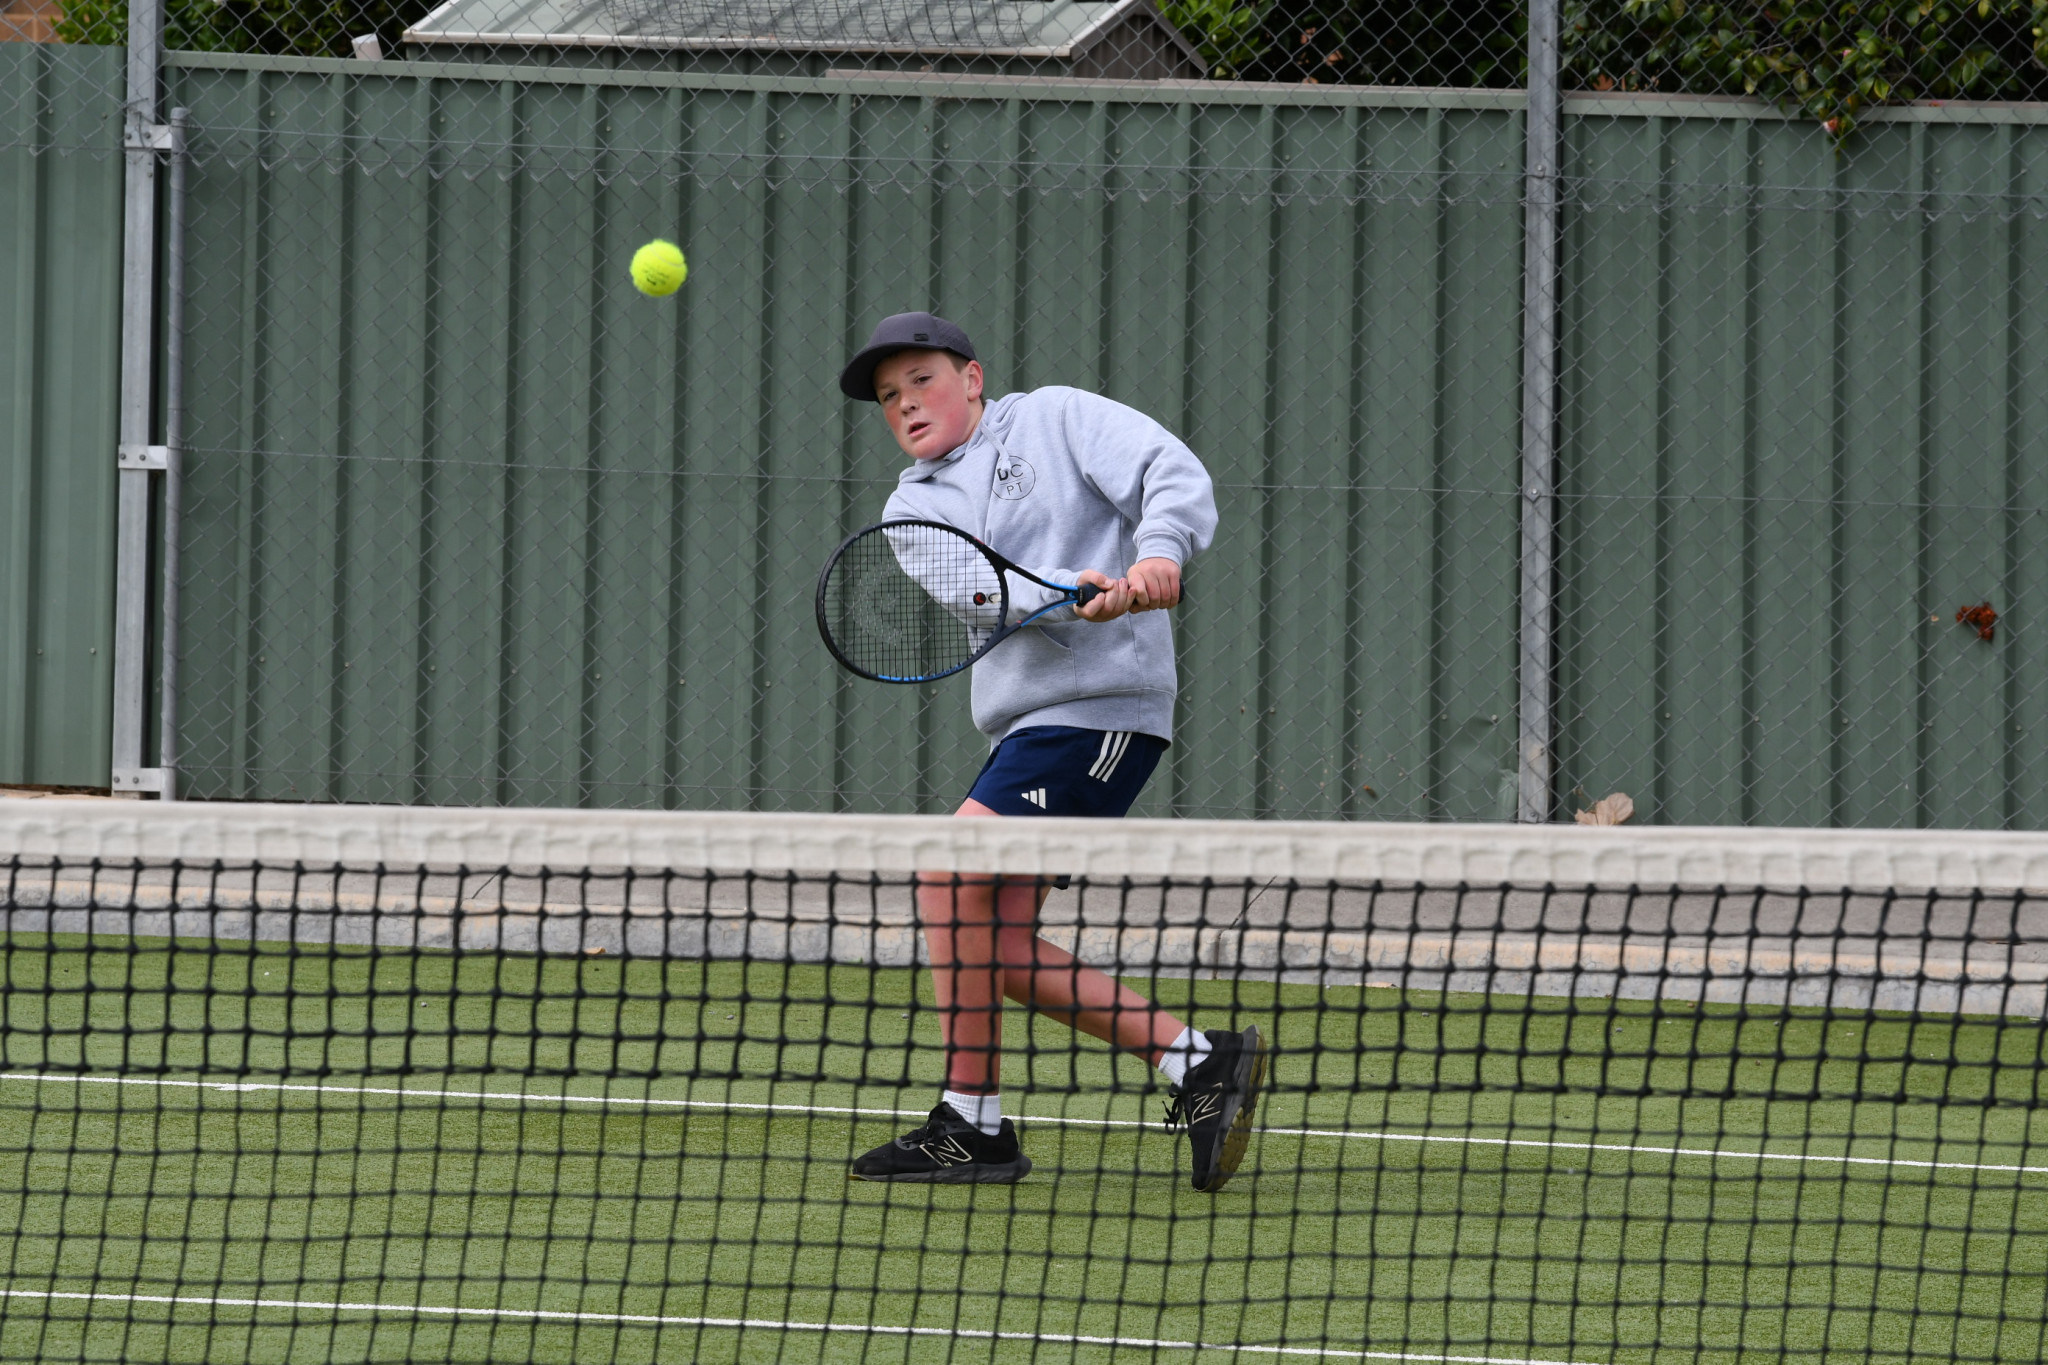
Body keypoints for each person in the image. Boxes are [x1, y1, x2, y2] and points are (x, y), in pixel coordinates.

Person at [837, 311, 1266, 1191]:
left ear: (972, 376)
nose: (906, 405)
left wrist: (1158, 551)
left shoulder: (1059, 418)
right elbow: (985, 589)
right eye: (888, 397)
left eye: (921, 380)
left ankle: (970, 1119)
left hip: (1103, 713)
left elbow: (1166, 470)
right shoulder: (910, 509)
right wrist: (1074, 593)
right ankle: (1195, 1061)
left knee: (946, 870)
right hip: (1025, 728)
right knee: (984, 940)